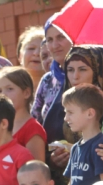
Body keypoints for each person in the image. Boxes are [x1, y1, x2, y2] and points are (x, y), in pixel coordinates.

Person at [32, 20, 73, 149]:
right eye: (49, 39)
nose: (55, 45)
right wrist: (50, 157)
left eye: (61, 37)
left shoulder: (90, 73)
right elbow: (35, 124)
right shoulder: (47, 81)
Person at [0, 66, 46, 162]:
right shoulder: (0, 126)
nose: (3, 95)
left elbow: (36, 171)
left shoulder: (32, 129)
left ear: (26, 93)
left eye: (9, 89)